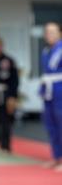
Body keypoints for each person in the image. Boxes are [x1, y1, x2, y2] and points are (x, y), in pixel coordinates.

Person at [40, 21, 62, 169]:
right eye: (47, 32)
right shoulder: (46, 51)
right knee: (51, 124)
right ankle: (57, 156)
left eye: (53, 32)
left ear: (60, 33)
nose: (50, 35)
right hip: (49, 90)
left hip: (60, 88)